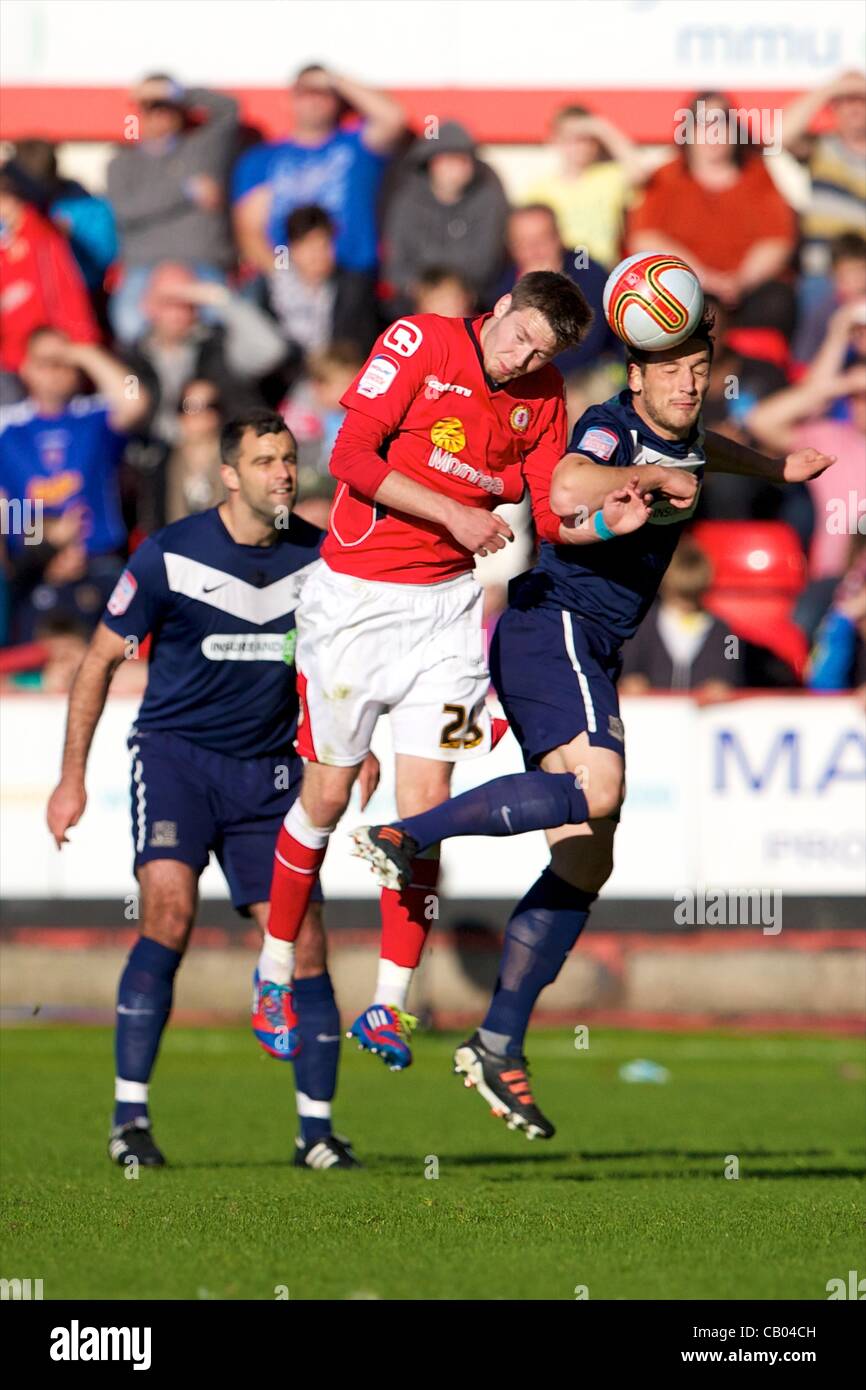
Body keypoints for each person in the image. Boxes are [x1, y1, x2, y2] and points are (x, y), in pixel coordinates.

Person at [352, 311, 834, 1137]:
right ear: (635, 378)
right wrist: (640, 486)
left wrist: (775, 468)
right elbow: (571, 484)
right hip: (553, 626)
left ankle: (497, 1043)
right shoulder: (610, 429)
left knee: (585, 860)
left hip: (589, 646)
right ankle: (407, 834)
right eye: (671, 369)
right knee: (598, 787)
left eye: (698, 368)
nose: (688, 382)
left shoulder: (681, 432)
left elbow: (703, 449)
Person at [257, 270, 617, 1074]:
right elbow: (348, 454)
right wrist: (453, 511)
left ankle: (389, 1002)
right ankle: (273, 971)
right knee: (326, 797)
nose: (524, 359)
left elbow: (552, 514)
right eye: (520, 336)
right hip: (354, 607)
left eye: (543, 352)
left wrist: (612, 514)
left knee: (425, 809)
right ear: (499, 310)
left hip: (449, 618)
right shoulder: (420, 339)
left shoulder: (545, 393)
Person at [45, 410, 378, 1172]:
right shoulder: (169, 555)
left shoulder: (322, 559)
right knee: (168, 910)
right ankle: (130, 1120)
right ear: (229, 474)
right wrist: (72, 780)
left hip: (272, 777)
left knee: (304, 942)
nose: (282, 474)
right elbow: (96, 663)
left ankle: (317, 1133)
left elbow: (346, 660)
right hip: (177, 760)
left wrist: (357, 744)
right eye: (264, 461)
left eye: (289, 459)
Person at [628, 92, 797, 366]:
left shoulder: (758, 175)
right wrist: (704, 277)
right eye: (705, 123)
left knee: (781, 300)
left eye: (722, 122)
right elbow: (644, 238)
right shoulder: (666, 177)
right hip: (687, 287)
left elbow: (777, 241)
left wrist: (740, 281)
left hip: (746, 292)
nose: (714, 132)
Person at [0, 330, 148, 641]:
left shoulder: (94, 416)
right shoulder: (8, 427)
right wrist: (44, 537)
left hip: (100, 564)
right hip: (35, 571)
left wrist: (84, 353)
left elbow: (136, 399)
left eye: (62, 363)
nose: (55, 372)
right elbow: (4, 508)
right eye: (45, 363)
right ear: (25, 368)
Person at [232, 64, 404, 278]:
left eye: (324, 94)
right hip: (286, 277)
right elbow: (250, 230)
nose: (315, 101)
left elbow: (393, 118)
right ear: (289, 100)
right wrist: (284, 276)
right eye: (306, 93)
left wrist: (335, 79)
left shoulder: (357, 147)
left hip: (351, 274)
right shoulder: (262, 159)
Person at [106, 76, 240, 344]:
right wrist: (185, 191)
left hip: (202, 263)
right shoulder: (122, 162)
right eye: (152, 108)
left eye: (167, 107)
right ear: (140, 113)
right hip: (146, 267)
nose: (161, 117)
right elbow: (124, 210)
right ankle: (148, 384)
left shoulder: (203, 149)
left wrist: (178, 91)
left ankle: (208, 382)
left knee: (222, 325)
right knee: (129, 323)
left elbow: (230, 109)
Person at [122, 263, 287, 447]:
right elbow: (129, 414)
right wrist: (180, 427)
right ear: (147, 305)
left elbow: (271, 350)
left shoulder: (219, 344)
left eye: (187, 302)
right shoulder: (129, 360)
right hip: (156, 462)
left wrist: (217, 297)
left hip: (226, 453)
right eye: (169, 302)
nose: (179, 313)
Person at [382, 121, 509, 312]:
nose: (459, 167)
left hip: (471, 296)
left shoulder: (488, 190)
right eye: (449, 158)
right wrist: (428, 291)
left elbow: (487, 259)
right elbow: (396, 264)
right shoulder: (407, 197)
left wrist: (453, 292)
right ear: (432, 162)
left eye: (464, 158)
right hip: (416, 298)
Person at [520, 104, 655, 269]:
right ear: (555, 140)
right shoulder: (539, 190)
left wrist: (600, 128)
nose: (579, 146)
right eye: (570, 138)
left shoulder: (609, 177)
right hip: (561, 270)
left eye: (586, 138)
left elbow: (640, 173)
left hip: (603, 271)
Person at [0, 165, 100, 379]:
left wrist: (80, 345)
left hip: (48, 354)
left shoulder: (44, 240)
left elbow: (68, 298)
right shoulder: (8, 245)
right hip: (12, 357)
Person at [780, 69, 866, 304]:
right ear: (834, 108)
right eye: (846, 101)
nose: (855, 108)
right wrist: (832, 88)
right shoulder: (820, 148)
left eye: (861, 99)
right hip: (823, 275)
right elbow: (780, 133)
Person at [260, 204, 379, 370]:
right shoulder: (269, 291)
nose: (318, 254)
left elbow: (364, 347)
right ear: (292, 248)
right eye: (308, 245)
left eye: (324, 245)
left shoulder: (355, 289)